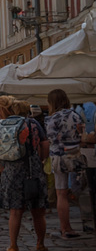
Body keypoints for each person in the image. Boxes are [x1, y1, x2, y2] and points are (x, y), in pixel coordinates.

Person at [0, 97, 48, 251]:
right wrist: (42, 159)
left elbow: (0, 149)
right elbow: (44, 144)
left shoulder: (2, 124)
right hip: (32, 169)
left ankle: (13, 246)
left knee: (15, 211)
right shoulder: (33, 123)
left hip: (11, 170)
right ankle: (40, 244)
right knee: (38, 210)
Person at [45, 88, 90, 239]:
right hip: (75, 154)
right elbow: (81, 134)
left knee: (61, 193)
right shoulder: (75, 115)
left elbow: (50, 138)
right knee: (81, 190)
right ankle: (85, 222)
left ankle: (65, 228)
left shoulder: (52, 118)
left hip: (59, 157)